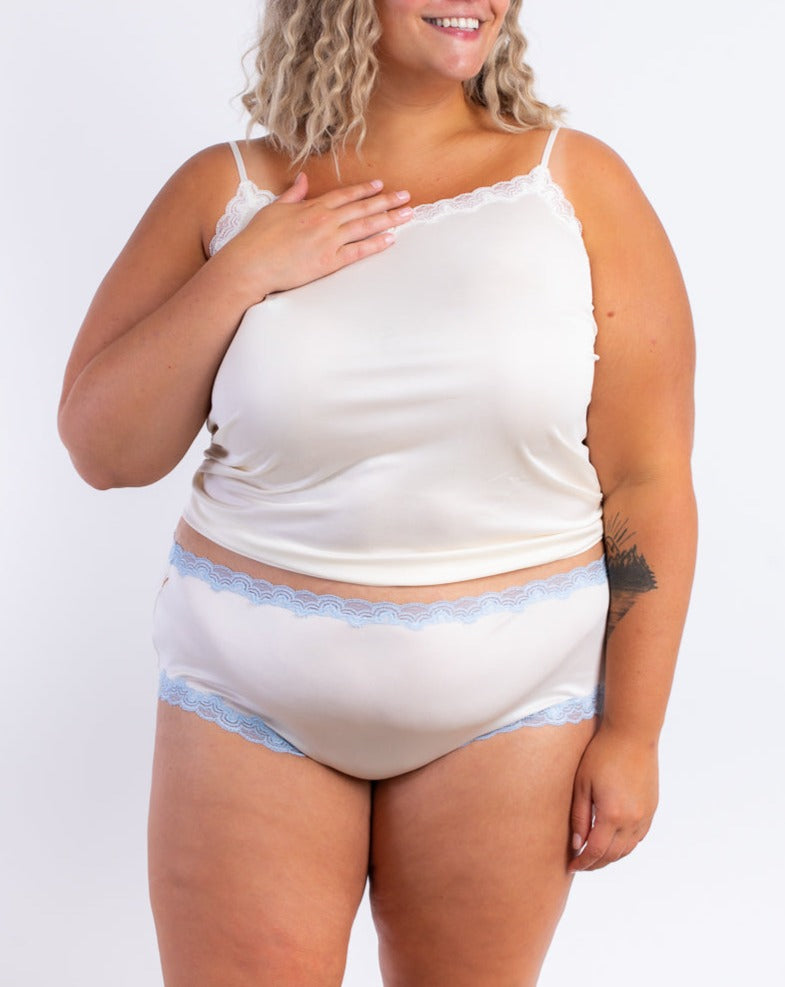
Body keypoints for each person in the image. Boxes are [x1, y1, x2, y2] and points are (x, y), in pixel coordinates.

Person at [58, 0, 697, 983]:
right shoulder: (227, 190)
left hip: (510, 704)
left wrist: (634, 732)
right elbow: (105, 451)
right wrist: (244, 271)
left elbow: (645, 479)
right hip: (246, 693)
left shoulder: (573, 185)